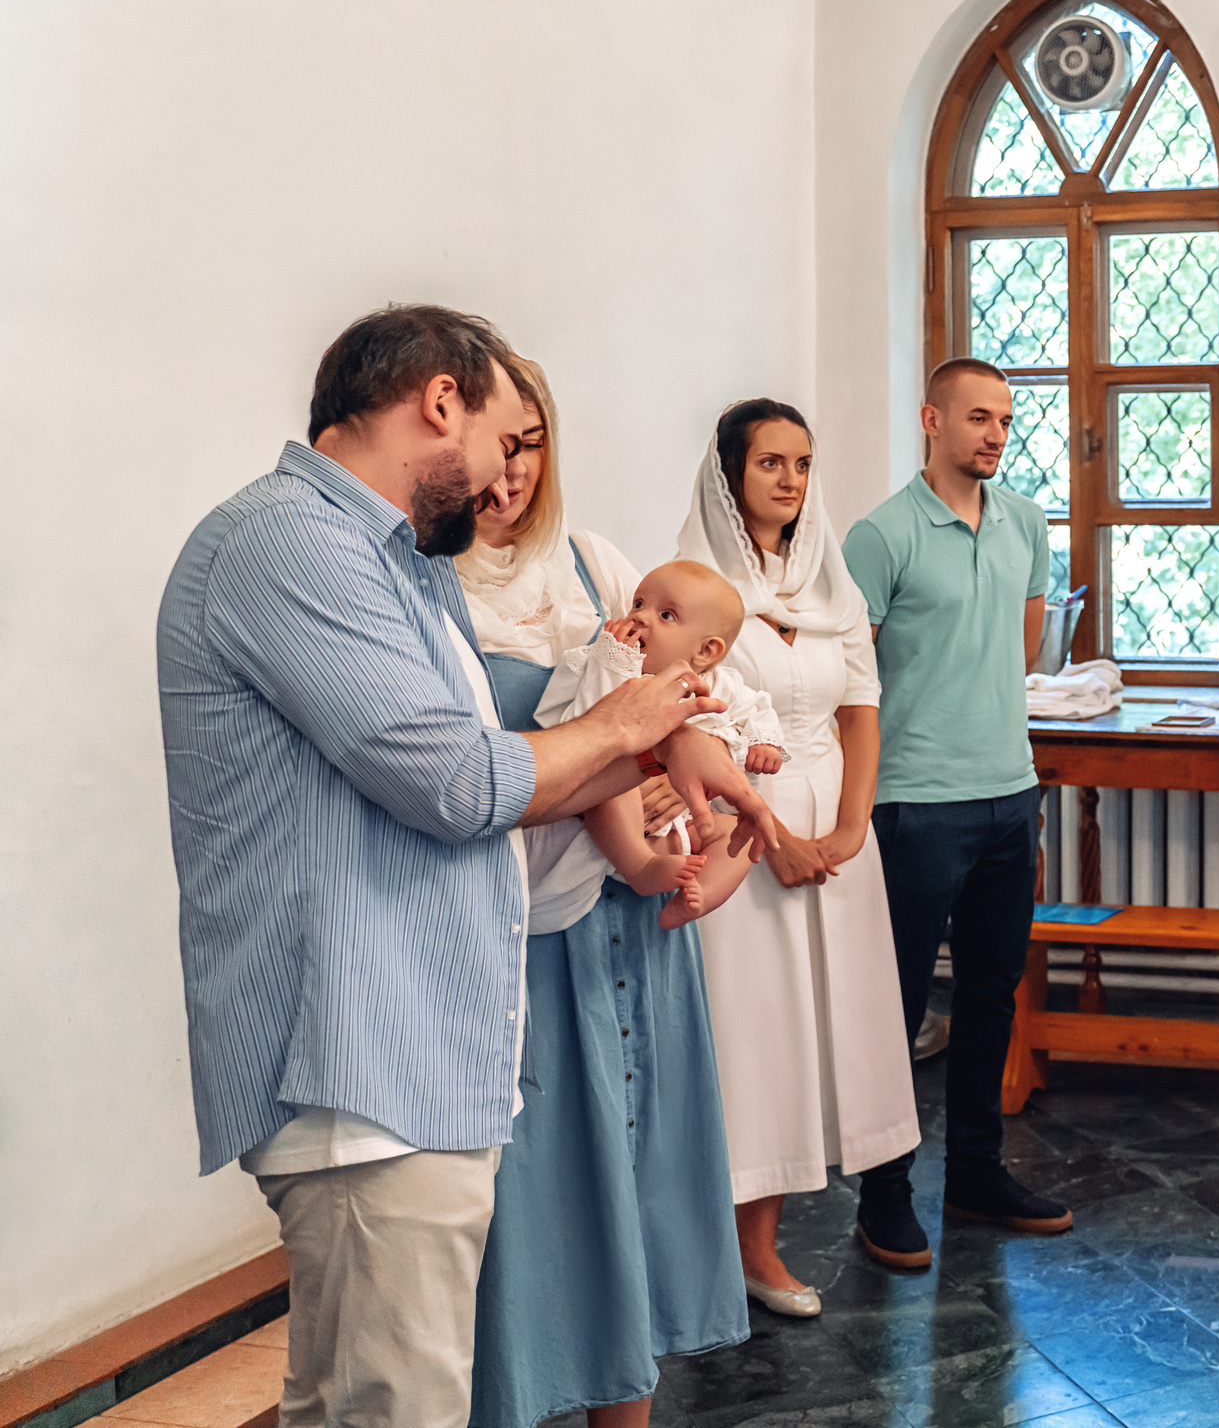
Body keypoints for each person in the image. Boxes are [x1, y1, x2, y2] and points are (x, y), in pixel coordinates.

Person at [160, 307, 770, 1428]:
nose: (504, 476)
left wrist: (680, 747)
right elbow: (458, 783)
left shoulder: (396, 563)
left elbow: (517, 769)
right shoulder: (291, 542)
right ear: (440, 402)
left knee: (371, 1402)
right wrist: (638, 718)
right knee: (396, 1409)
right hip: (358, 1061)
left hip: (418, 1057)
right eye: (501, 436)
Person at [457, 356, 754, 1428]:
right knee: (538, 1200)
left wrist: (690, 792)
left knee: (635, 1180)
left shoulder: (596, 564)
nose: (510, 472)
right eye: (496, 443)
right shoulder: (431, 590)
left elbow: (692, 702)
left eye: (530, 443)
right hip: (523, 942)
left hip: (633, 928)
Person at [682, 399, 921, 1313]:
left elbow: (861, 700)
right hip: (741, 827)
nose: (789, 480)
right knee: (759, 1036)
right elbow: (691, 710)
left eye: (803, 464)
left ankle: (781, 1236)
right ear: (730, 472)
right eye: (771, 462)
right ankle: (744, 1251)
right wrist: (772, 837)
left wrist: (852, 827)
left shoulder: (830, 578)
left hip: (834, 829)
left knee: (834, 1029)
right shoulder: (696, 579)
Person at [845, 357, 1069, 1267]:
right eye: (979, 416)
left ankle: (975, 1174)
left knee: (989, 997)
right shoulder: (881, 534)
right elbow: (853, 683)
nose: (995, 434)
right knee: (896, 1009)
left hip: (1010, 793)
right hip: (914, 803)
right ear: (932, 420)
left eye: (1007, 421)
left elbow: (1018, 651)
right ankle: (883, 1195)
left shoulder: (1024, 523)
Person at [533, 559, 789, 929]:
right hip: (618, 823)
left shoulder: (724, 685)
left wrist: (764, 743)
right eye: (638, 603)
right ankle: (640, 866)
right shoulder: (596, 663)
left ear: (706, 652)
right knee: (610, 789)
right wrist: (613, 665)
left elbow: (757, 709)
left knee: (739, 837)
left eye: (666, 615)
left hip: (682, 827)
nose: (641, 617)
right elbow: (577, 733)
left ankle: (698, 899)